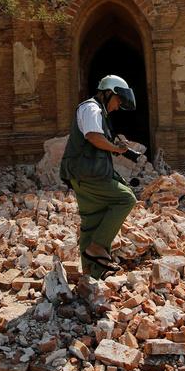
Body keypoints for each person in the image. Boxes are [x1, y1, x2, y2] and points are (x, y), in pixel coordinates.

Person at [60, 75, 139, 279]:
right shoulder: (91, 108)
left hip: (83, 173)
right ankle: (97, 247)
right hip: (89, 174)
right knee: (126, 199)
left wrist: (116, 146)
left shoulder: (97, 112)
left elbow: (97, 139)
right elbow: (93, 137)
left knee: (92, 219)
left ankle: (91, 274)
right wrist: (115, 148)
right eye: (118, 101)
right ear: (109, 93)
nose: (117, 106)